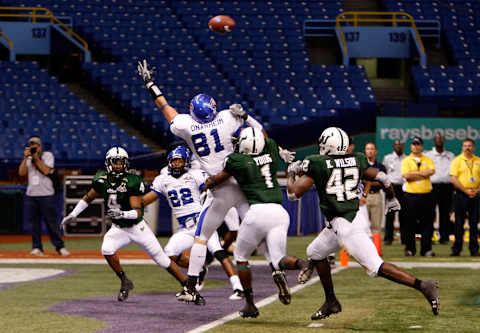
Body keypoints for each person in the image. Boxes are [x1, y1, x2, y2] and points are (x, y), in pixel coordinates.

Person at [137, 59, 295, 304]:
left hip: (218, 189)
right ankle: (277, 266)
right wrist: (251, 119)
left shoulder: (187, 125)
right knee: (259, 227)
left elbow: (164, 107)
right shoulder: (227, 118)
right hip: (239, 184)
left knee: (201, 237)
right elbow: (258, 136)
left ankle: (191, 286)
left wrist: (150, 84)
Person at [287, 127, 439, 320]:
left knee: (376, 267)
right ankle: (331, 301)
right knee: (315, 252)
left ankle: (423, 285)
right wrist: (391, 198)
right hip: (346, 218)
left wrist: (291, 173)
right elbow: (383, 177)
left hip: (346, 225)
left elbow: (293, 194)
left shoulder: (317, 162)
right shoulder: (356, 158)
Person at [203, 127, 308, 318]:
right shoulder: (270, 147)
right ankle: (304, 264)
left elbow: (218, 179)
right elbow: (264, 135)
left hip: (257, 212)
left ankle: (250, 304)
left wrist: (206, 183)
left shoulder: (238, 160)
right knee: (278, 260)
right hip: (280, 212)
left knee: (241, 256)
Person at [61, 147, 188, 302]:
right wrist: (73, 214)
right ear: (109, 163)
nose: (119, 166)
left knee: (162, 260)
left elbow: (137, 212)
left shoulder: (132, 181)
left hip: (137, 227)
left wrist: (121, 214)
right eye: (115, 162)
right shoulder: (101, 179)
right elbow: (88, 197)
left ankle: (188, 285)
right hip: (119, 228)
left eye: (121, 163)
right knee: (107, 249)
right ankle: (124, 281)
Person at [142, 145, 244, 300]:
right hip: (185, 227)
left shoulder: (195, 175)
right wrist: (133, 202)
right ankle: (199, 269)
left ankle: (238, 287)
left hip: (202, 223)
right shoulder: (162, 180)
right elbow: (147, 199)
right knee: (169, 253)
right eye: (174, 161)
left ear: (186, 162)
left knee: (218, 251)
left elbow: (211, 187)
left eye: (180, 161)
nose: (177, 164)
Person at [18, 136, 69, 256]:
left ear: (40, 146)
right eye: (31, 145)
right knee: (34, 224)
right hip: (32, 194)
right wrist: (26, 158)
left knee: (51, 223)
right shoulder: (29, 158)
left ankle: (59, 247)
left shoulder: (47, 156)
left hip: (46, 194)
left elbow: (46, 170)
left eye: (35, 145)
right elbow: (21, 173)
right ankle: (37, 247)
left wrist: (36, 158)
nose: (33, 147)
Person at [401, 136, 436, 257]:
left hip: (426, 195)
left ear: (421, 146)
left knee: (426, 223)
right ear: (411, 146)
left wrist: (414, 174)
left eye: (418, 144)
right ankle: (410, 249)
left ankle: (426, 249)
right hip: (410, 195)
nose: (416, 146)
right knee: (409, 223)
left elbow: (431, 172)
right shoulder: (406, 160)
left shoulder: (428, 159)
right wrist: (422, 174)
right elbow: (406, 176)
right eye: (414, 144)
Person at [449, 138, 480, 256]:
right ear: (462, 148)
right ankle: (456, 249)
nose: (468, 148)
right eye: (465, 146)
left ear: (474, 148)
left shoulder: (478, 160)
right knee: (459, 223)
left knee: (474, 223)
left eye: (470, 146)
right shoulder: (457, 161)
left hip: (475, 195)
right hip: (461, 195)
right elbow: (453, 178)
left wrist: (476, 190)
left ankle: (474, 249)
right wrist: (466, 191)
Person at [424, 133, 455, 244]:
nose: (439, 140)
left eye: (441, 138)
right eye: (437, 139)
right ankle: (430, 237)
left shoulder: (450, 155)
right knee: (430, 213)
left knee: (445, 213)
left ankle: (444, 237)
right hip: (432, 186)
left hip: (447, 187)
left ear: (444, 141)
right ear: (434, 141)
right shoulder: (428, 155)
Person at [363, 142, 387, 254]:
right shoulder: (362, 165)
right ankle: (363, 250)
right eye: (368, 149)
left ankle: (377, 250)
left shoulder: (381, 166)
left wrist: (369, 182)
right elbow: (360, 182)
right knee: (362, 225)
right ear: (365, 151)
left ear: (376, 151)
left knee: (376, 225)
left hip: (376, 196)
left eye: (372, 149)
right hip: (363, 197)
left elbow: (383, 182)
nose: (370, 151)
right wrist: (374, 181)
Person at [382, 140, 407, 245]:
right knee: (390, 214)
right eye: (396, 145)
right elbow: (384, 173)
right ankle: (388, 238)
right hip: (391, 188)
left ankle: (405, 238)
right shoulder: (387, 158)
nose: (398, 146)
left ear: (403, 146)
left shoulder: (407, 158)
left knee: (404, 214)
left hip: (404, 187)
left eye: (400, 145)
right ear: (393, 146)